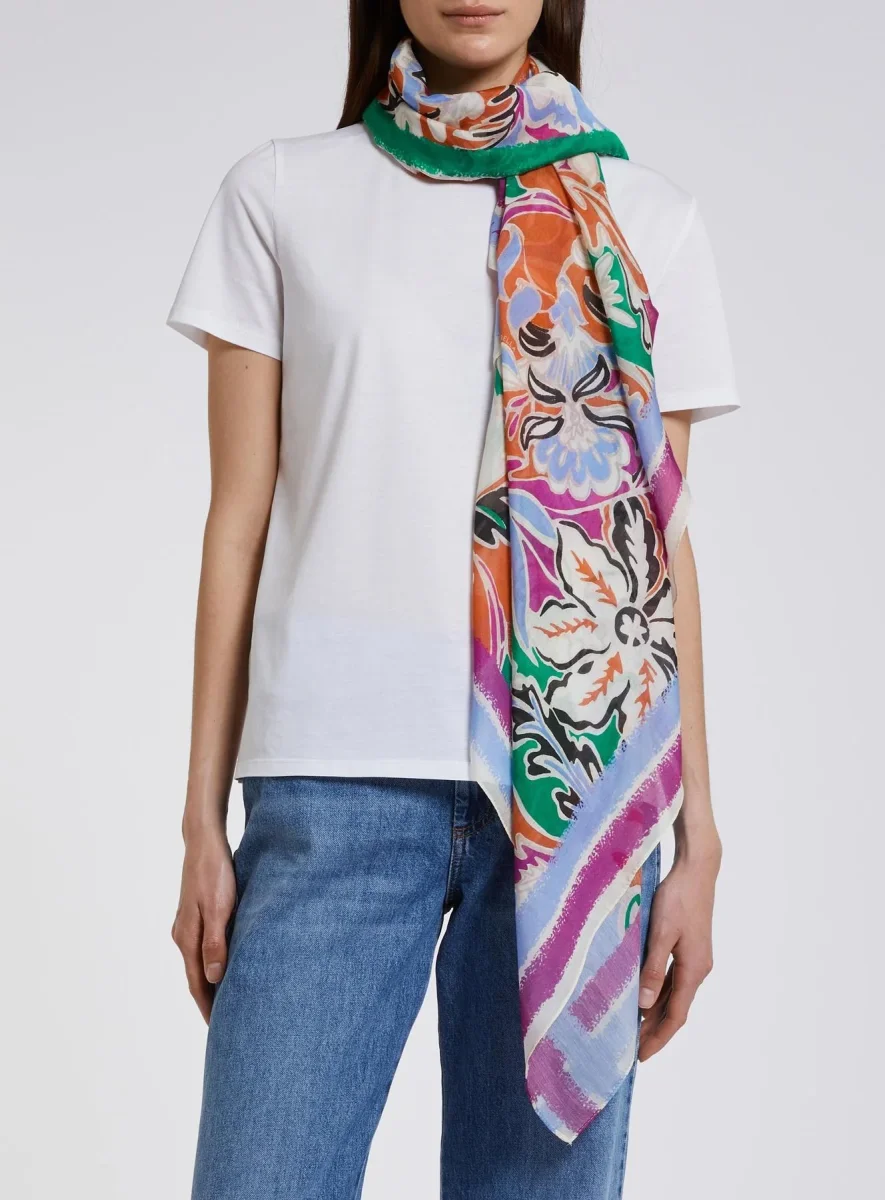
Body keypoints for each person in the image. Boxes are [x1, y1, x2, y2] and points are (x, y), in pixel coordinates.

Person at [167, 2, 739, 1196]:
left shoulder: (649, 221)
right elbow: (236, 521)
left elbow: (660, 554)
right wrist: (200, 824)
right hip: (332, 784)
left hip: (576, 803)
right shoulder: (281, 194)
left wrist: (699, 837)